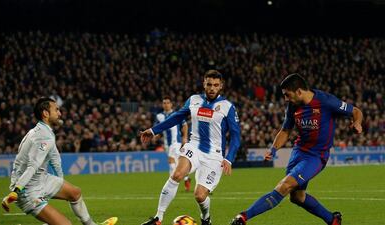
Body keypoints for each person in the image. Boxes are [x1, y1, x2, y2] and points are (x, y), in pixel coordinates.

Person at [230, 73, 363, 225]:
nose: (286, 99)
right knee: (297, 197)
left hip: (316, 156)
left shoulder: (326, 101)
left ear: (299, 91)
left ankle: (243, 217)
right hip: (298, 152)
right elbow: (285, 130)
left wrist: (357, 123)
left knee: (284, 186)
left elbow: (356, 111)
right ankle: (333, 220)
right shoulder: (293, 106)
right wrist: (273, 150)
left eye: (287, 94)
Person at [140, 70, 241, 225]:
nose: (212, 88)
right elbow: (177, 116)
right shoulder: (194, 100)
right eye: (209, 84)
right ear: (204, 84)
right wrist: (154, 130)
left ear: (221, 86)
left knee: (200, 196)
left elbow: (236, 136)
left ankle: (206, 218)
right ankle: (158, 218)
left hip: (214, 155)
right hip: (194, 146)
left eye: (215, 85)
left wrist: (229, 158)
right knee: (177, 174)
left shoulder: (228, 107)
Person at [1, 97, 117, 225]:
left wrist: (60, 182)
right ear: (45, 113)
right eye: (56, 110)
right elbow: (32, 166)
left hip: (41, 179)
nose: (60, 113)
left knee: (75, 192)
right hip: (27, 190)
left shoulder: (45, 131)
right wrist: (17, 190)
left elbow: (55, 158)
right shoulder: (42, 136)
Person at [154, 96, 191, 191]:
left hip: (176, 142)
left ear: (171, 104)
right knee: (178, 163)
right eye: (164, 103)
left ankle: (171, 184)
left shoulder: (176, 114)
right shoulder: (159, 116)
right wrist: (156, 136)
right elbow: (159, 129)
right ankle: (186, 178)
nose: (166, 105)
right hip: (167, 144)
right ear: (162, 105)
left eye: (167, 103)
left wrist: (185, 137)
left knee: (171, 161)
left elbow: (185, 125)